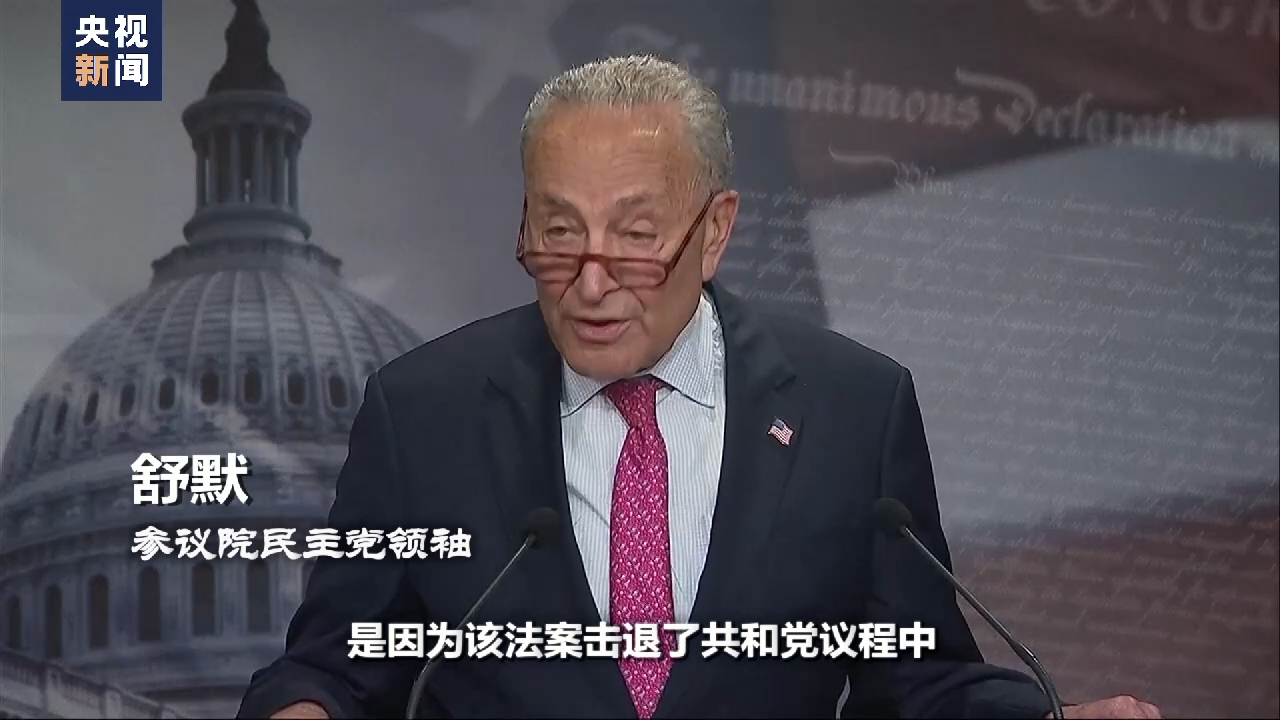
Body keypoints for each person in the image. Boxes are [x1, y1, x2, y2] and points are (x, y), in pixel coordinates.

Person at [238, 55, 1161, 720]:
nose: (590, 282)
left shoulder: (852, 408)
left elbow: (917, 680)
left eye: (637, 237)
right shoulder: (421, 412)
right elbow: (334, 668)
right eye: (557, 233)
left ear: (716, 231)